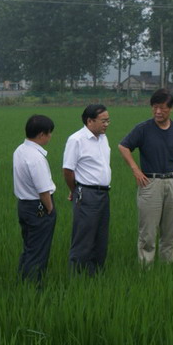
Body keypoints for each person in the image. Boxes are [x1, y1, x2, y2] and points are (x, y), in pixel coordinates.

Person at [118, 89, 173, 266]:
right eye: (154, 107)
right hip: (150, 182)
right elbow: (123, 146)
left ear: (171, 108)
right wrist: (136, 170)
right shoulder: (143, 129)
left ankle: (166, 267)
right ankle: (145, 269)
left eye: (162, 108)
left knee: (170, 231)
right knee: (147, 233)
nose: (158, 112)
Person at [62, 104, 111, 275]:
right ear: (90, 121)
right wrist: (75, 190)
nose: (106, 124)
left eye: (108, 120)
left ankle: (96, 275)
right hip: (87, 194)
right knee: (84, 237)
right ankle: (78, 276)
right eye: (103, 121)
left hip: (104, 193)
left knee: (100, 237)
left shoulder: (103, 138)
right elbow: (68, 170)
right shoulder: (76, 140)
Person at [12, 115, 57, 284]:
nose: (50, 136)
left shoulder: (20, 150)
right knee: (38, 251)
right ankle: (34, 286)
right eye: (49, 133)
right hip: (38, 208)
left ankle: (23, 282)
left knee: (29, 248)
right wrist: (50, 209)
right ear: (41, 134)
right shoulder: (36, 158)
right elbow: (43, 190)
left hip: (24, 205)